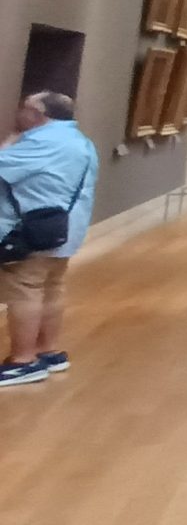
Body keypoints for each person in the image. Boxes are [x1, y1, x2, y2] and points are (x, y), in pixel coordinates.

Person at [0, 93, 99, 388]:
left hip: (31, 233)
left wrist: (9, 141)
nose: (20, 113)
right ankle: (48, 351)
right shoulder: (81, 141)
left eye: (25, 108)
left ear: (39, 113)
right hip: (63, 231)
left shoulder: (42, 142)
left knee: (25, 290)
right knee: (52, 287)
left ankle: (23, 361)